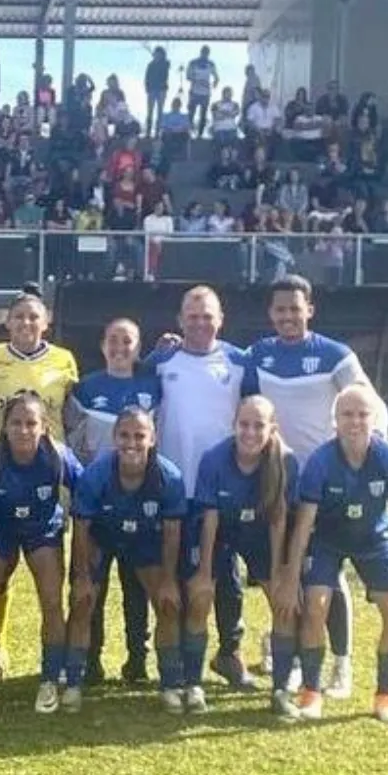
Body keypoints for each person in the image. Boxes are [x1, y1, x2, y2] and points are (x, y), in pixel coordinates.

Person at [245, 274, 388, 696]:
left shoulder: (335, 354)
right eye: (280, 309)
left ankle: (341, 665)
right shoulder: (258, 355)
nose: (288, 316)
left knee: (326, 575)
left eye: (296, 308)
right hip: (280, 485)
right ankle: (285, 654)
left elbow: (369, 403)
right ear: (270, 313)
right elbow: (224, 374)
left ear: (310, 309)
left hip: (330, 486)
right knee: (282, 572)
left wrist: (371, 446)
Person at [282, 385, 388, 725]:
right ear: (335, 421)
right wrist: (290, 579)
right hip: (327, 540)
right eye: (347, 415)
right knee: (315, 606)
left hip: (374, 540)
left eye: (362, 414)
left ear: (374, 420)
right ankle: (311, 691)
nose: (355, 421)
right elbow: (303, 527)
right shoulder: (320, 461)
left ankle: (386, 695)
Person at [0, 284, 79, 679]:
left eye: (34, 317)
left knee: (51, 573)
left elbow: (74, 416)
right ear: (7, 322)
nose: (26, 323)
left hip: (49, 478)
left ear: (45, 322)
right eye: (19, 317)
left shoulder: (66, 361)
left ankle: (58, 662)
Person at [147, 285, 253, 689]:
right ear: (179, 321)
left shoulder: (240, 362)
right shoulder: (161, 361)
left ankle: (230, 652)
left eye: (207, 315)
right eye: (192, 315)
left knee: (226, 575)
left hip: (226, 491)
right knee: (168, 574)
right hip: (174, 490)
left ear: (221, 319)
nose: (200, 322)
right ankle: (167, 658)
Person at [0, 392, 83, 714]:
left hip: (41, 527)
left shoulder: (58, 456)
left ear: (44, 427)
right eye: (16, 423)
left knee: (51, 599)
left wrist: (85, 550)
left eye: (31, 423)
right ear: (5, 427)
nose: (23, 430)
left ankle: (49, 678)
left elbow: (86, 493)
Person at [68, 408, 191, 713]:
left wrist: (168, 581)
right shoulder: (96, 475)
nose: (131, 443)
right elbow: (81, 528)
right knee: (83, 601)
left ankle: (171, 683)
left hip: (145, 542)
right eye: (124, 435)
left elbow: (173, 531)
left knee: (168, 603)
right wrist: (82, 577)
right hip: (102, 536)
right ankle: (71, 681)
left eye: (140, 436)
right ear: (114, 437)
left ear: (153, 438)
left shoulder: (169, 477)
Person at [193, 396, 303, 718]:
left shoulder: (285, 461)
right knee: (200, 596)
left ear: (272, 429)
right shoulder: (215, 458)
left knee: (285, 604)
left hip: (261, 533)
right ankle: (190, 684)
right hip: (221, 531)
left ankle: (282, 689)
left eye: (258, 425)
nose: (250, 432)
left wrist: (279, 575)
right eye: (244, 424)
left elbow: (279, 519)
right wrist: (202, 573)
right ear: (234, 425)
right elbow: (210, 518)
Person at [66, 318, 162, 685]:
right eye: (114, 340)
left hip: (140, 503)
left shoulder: (152, 386)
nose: (121, 347)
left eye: (129, 341)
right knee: (93, 582)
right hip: (98, 504)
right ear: (103, 345)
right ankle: (90, 659)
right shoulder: (87, 388)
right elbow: (75, 440)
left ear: (139, 347)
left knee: (136, 586)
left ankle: (137, 659)